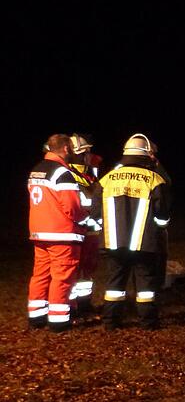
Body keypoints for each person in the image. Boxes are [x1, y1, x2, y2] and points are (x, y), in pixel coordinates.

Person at [99, 134, 172, 330]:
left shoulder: (108, 178)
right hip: (144, 243)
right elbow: (162, 215)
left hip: (113, 242)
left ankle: (110, 322)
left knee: (114, 283)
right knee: (145, 285)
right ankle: (148, 323)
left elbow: (96, 210)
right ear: (146, 155)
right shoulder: (154, 179)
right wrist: (160, 227)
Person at [27, 134, 88, 331]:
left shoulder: (36, 170)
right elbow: (72, 206)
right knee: (62, 276)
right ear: (65, 149)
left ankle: (36, 317)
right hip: (61, 234)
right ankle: (58, 320)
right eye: (70, 147)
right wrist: (84, 219)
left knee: (40, 274)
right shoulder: (62, 173)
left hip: (39, 232)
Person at [67, 133, 103, 314]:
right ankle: (71, 306)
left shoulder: (88, 173)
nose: (89, 155)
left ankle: (84, 303)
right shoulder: (68, 174)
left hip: (91, 231)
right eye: (86, 152)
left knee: (87, 271)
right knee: (73, 270)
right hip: (78, 230)